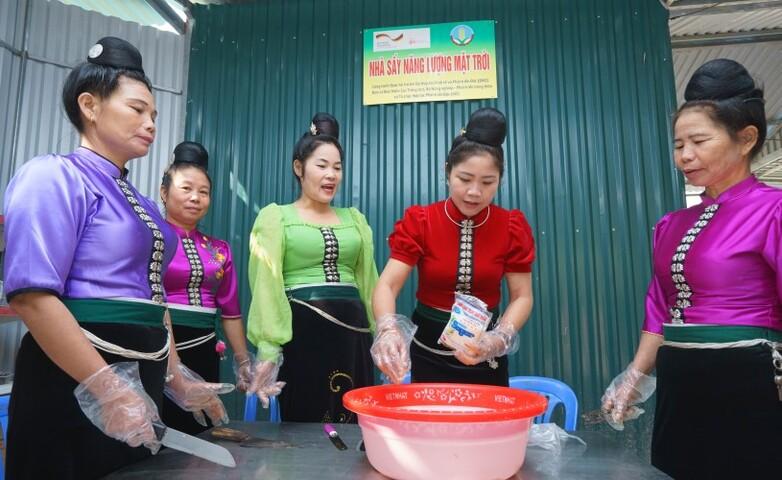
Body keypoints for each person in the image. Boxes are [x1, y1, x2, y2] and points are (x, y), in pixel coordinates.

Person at [2, 37, 231, 479]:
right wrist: (105, 386)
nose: (150, 123)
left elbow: (154, 295)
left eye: (154, 115)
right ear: (89, 105)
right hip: (71, 380)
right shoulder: (54, 176)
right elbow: (31, 296)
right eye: (137, 109)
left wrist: (176, 377)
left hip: (139, 380)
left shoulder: (144, 205)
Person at [601, 58, 782, 478]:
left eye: (699, 141)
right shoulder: (671, 224)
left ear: (746, 138)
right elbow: (660, 306)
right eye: (678, 144)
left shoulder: (772, 210)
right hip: (682, 378)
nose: (685, 155)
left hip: (747, 380)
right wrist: (635, 375)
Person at [371, 107, 535, 386]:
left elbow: (522, 296)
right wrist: (387, 329)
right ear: (448, 172)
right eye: (464, 179)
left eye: (487, 182)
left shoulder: (511, 227)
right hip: (427, 355)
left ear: (500, 180)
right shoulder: (421, 221)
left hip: (485, 356)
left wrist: (500, 337)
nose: (474, 192)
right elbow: (387, 285)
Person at [246, 113, 378, 422]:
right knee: (308, 422)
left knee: (354, 421)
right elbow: (266, 283)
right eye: (321, 166)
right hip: (304, 338)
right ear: (298, 168)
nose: (331, 175)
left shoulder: (355, 220)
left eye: (337, 167)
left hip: (353, 339)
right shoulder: (275, 217)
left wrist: (380, 331)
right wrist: (268, 347)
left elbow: (369, 281)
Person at [159, 141, 253, 435]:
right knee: (164, 429)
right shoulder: (150, 238)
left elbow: (231, 312)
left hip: (205, 347)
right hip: (161, 346)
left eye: (203, 192)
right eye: (186, 188)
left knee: (200, 430)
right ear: (164, 193)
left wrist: (243, 362)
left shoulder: (219, 249)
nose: (195, 198)